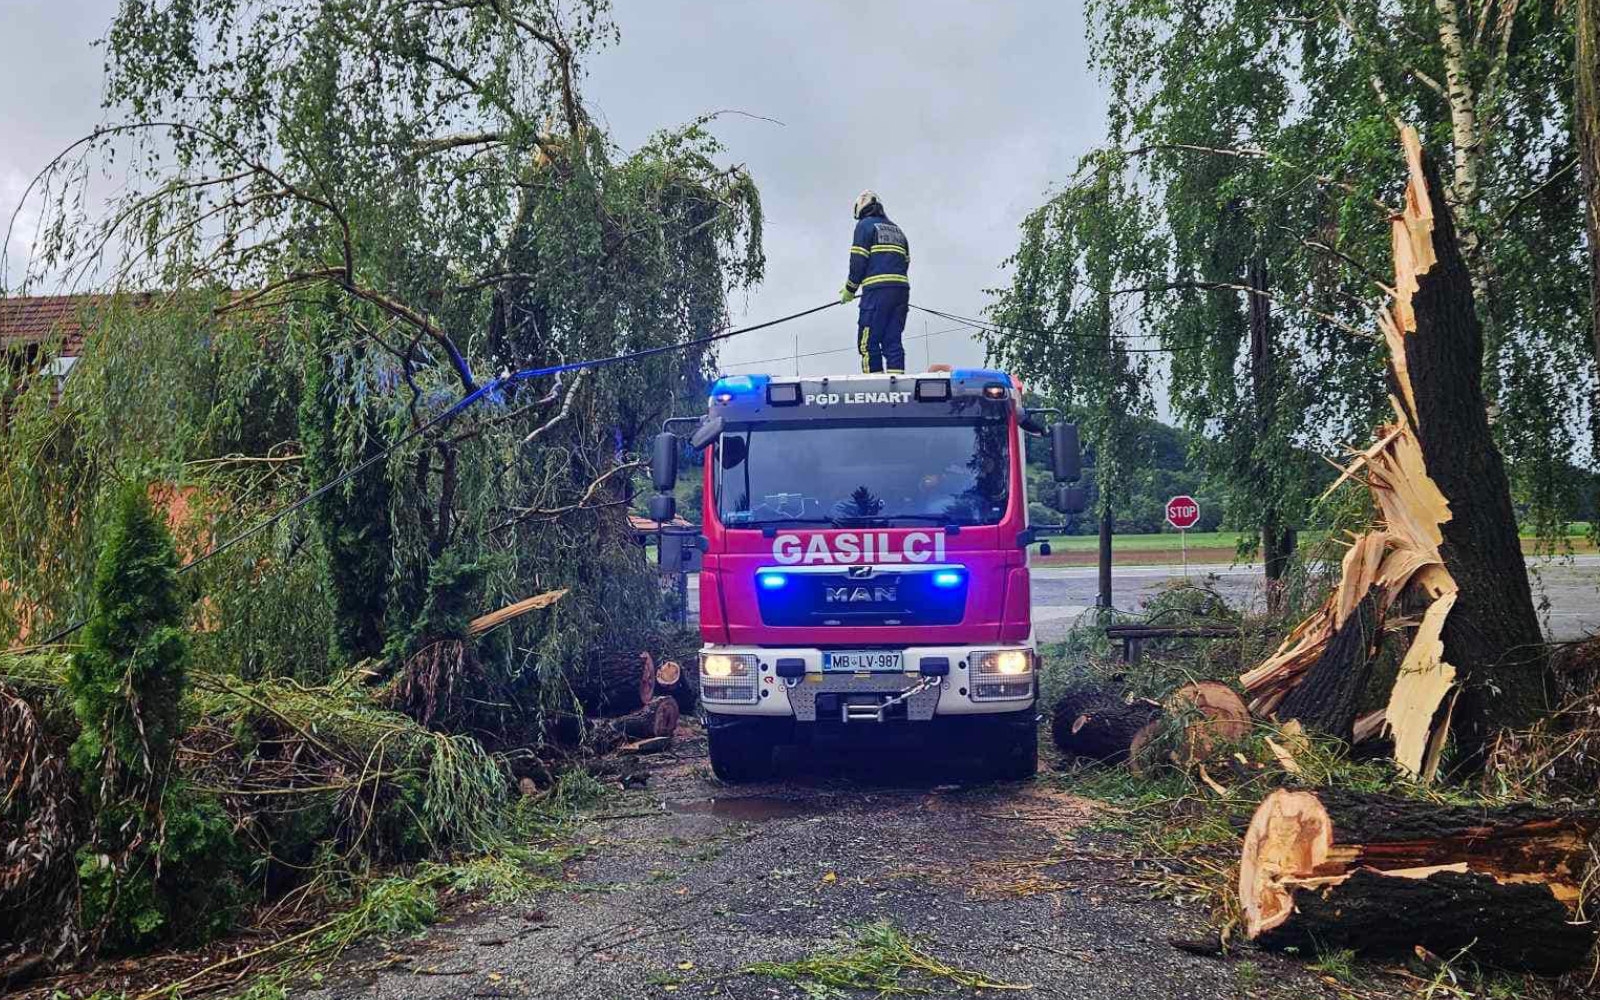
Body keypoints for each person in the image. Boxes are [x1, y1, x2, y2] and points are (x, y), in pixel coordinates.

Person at [840, 190, 910, 373]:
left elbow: (858, 260)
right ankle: (897, 387)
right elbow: (906, 261)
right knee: (892, 341)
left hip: (877, 293)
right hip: (901, 291)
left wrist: (850, 289)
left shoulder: (864, 226)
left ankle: (875, 387)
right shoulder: (897, 230)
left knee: (868, 342)